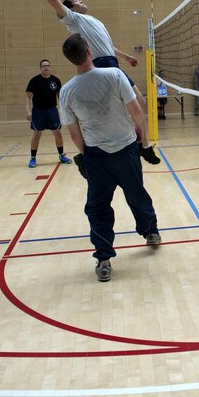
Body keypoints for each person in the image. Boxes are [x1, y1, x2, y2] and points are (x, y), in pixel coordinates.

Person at [59, 34, 161, 282]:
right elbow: (137, 109)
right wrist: (142, 138)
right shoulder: (115, 75)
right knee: (136, 194)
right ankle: (150, 233)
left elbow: (73, 132)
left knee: (97, 207)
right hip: (126, 150)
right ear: (90, 51)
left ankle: (103, 259)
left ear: (71, 59)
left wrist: (86, 155)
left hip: (97, 156)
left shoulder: (66, 91)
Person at [36, 0, 160, 166]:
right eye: (76, 0)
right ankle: (132, 147)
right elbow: (52, 0)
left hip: (112, 62)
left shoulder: (91, 21)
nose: (81, 1)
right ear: (70, 8)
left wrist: (127, 57)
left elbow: (107, 46)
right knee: (129, 106)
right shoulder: (74, 19)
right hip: (102, 66)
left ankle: (142, 145)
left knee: (141, 102)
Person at [25, 59, 72, 168]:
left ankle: (61, 155)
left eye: (47, 65)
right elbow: (28, 95)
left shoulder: (55, 80)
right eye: (43, 66)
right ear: (40, 68)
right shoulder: (35, 81)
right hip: (38, 111)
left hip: (52, 110)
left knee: (58, 133)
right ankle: (33, 158)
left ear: (50, 67)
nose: (46, 67)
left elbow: (60, 96)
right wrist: (28, 110)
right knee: (37, 135)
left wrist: (63, 109)